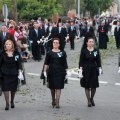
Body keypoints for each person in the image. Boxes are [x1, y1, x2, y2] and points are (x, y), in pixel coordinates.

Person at [43, 38, 68, 108]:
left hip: (60, 71)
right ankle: (53, 99)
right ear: (52, 44)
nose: (55, 44)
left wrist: (67, 71)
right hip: (51, 71)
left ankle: (57, 102)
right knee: (52, 87)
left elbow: (65, 63)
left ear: (59, 44)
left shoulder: (63, 53)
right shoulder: (49, 53)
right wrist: (44, 71)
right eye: (54, 42)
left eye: (57, 43)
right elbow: (46, 63)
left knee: (58, 87)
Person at [78, 36, 102, 107]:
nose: (91, 43)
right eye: (89, 42)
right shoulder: (84, 51)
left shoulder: (96, 51)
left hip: (94, 69)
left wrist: (100, 68)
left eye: (92, 42)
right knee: (87, 85)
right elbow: (81, 61)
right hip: (86, 69)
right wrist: (80, 69)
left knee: (94, 85)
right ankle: (88, 100)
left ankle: (91, 99)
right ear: (87, 43)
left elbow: (98, 60)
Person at [0, 40, 23, 110]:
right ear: (5, 46)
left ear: (12, 45)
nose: (8, 45)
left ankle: (12, 101)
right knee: (5, 88)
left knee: (13, 89)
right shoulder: (2, 53)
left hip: (14, 73)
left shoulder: (16, 53)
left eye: (10, 44)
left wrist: (20, 72)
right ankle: (7, 104)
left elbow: (19, 63)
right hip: (5, 73)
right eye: (7, 44)